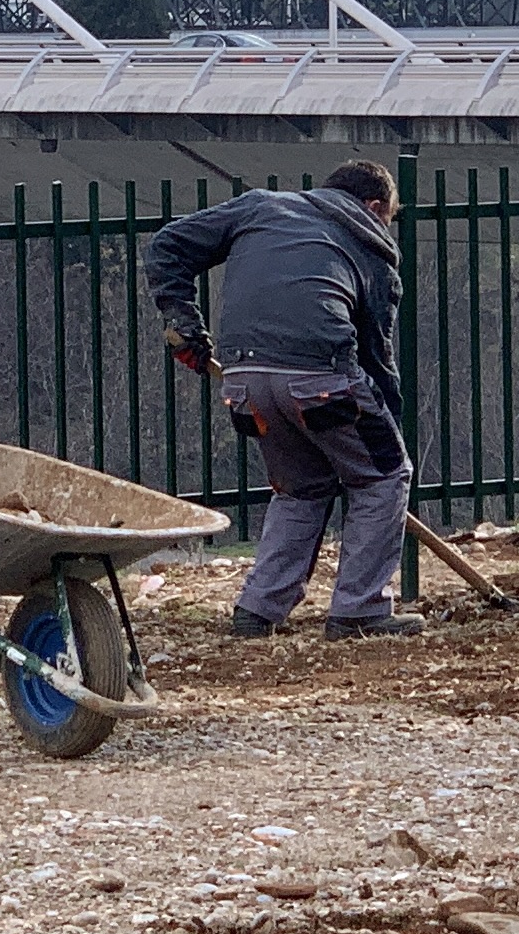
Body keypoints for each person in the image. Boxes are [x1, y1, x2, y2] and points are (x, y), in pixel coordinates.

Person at [143, 161, 418, 639]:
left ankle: (259, 608)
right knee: (384, 476)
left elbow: (168, 246)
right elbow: (377, 358)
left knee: (302, 488)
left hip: (245, 382)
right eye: (389, 217)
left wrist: (184, 320)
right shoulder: (375, 255)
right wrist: (386, 437)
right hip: (322, 378)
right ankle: (359, 610)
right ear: (375, 208)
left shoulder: (260, 207)